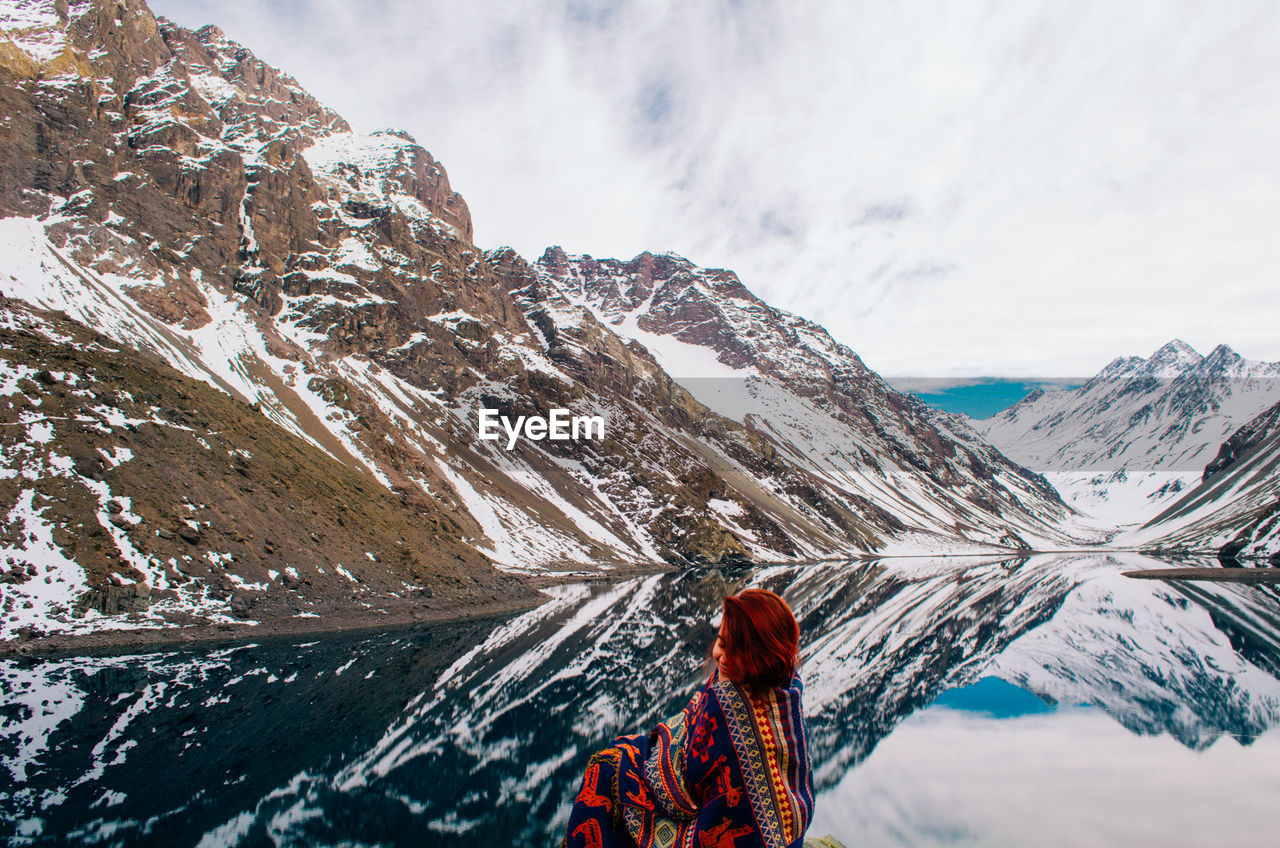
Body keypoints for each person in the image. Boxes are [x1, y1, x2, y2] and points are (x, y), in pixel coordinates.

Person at [562, 588, 813, 848]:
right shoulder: (776, 690)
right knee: (617, 759)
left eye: (736, 652)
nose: (722, 658)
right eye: (721, 643)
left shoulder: (739, 722)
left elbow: (702, 795)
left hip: (707, 830)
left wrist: (661, 772)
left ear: (760, 657)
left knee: (605, 773)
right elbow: (692, 725)